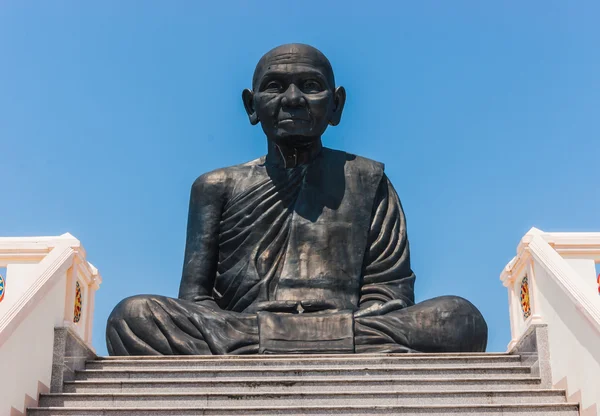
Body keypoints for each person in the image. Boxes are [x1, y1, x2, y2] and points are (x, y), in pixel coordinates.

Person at [106, 43, 487, 355]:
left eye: (310, 85)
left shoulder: (367, 179)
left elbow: (389, 292)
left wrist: (343, 319)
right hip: (255, 324)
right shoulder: (215, 186)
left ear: (335, 105)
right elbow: (196, 301)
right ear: (251, 105)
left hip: (346, 322)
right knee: (133, 315)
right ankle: (301, 339)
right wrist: (256, 324)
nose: (293, 99)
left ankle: (273, 342)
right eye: (274, 86)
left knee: (458, 318)